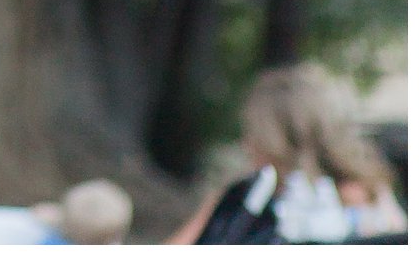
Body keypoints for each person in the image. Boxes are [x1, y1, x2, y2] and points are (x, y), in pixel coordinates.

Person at [173, 65, 406, 245]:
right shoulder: (241, 196)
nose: (246, 143)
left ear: (277, 137)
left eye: (254, 131)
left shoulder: (359, 196)